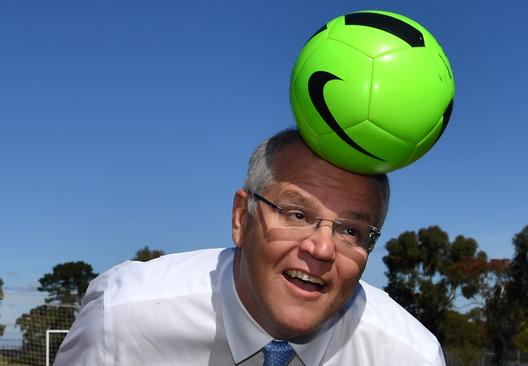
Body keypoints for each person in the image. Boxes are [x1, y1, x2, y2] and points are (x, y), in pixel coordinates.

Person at [55, 129, 445, 365]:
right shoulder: (123, 322)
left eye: (352, 231)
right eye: (296, 214)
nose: (323, 248)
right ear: (242, 218)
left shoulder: (409, 357)